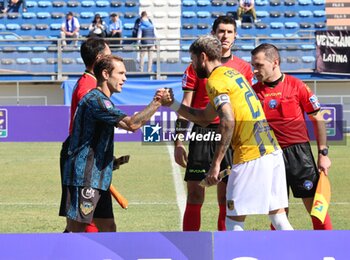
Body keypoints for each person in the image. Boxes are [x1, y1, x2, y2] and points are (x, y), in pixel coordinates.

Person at [167, 35, 293, 231]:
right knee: (278, 217)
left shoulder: (215, 82)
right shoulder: (232, 75)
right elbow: (205, 118)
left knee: (233, 220)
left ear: (202, 57)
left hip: (250, 155)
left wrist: (216, 164)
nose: (192, 65)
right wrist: (173, 104)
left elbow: (227, 120)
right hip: (271, 151)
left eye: (192, 60)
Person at [61, 55, 171, 232]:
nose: (124, 78)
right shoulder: (96, 100)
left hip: (99, 177)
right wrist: (157, 102)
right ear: (105, 74)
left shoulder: (102, 100)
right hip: (85, 178)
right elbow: (132, 124)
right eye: (120, 73)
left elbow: (127, 125)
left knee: (108, 228)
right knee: (76, 229)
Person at [175, 16, 254, 231]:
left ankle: (224, 246)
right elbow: (185, 104)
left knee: (227, 196)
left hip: (230, 135)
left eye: (229, 32)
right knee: (194, 193)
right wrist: (179, 142)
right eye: (221, 31)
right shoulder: (195, 67)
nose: (225, 36)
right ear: (213, 33)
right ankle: (190, 246)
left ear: (235, 35)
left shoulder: (244, 68)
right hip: (202, 133)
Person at [251, 43, 332, 230]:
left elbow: (318, 118)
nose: (255, 70)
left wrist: (323, 153)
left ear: (275, 62)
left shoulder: (297, 86)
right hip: (269, 156)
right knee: (278, 213)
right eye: (254, 65)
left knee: (316, 209)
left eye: (259, 65)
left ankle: (329, 250)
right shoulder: (252, 92)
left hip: (298, 154)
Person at [59, 38, 112, 233]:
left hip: (90, 153)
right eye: (109, 54)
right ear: (99, 58)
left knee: (98, 222)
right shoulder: (87, 88)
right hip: (82, 155)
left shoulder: (90, 83)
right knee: (82, 221)